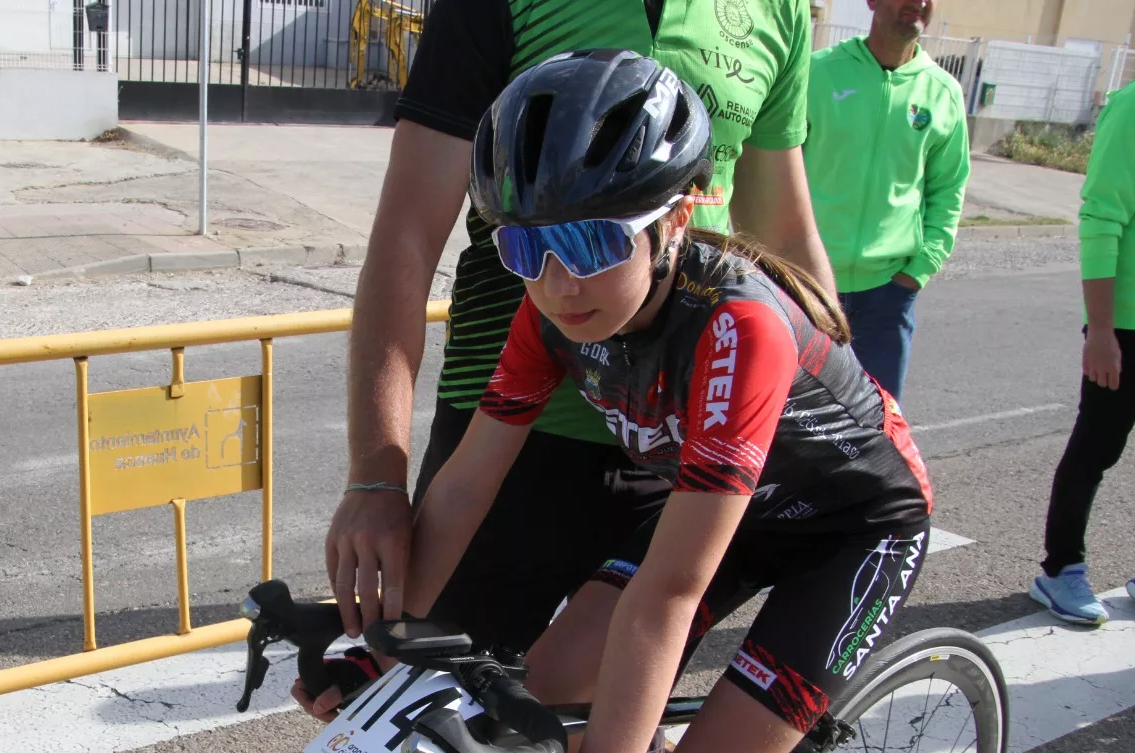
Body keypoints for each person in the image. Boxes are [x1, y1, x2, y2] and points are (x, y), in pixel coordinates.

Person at [303, 52, 935, 753]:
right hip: (726, 499)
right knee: (547, 688)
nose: (560, 283)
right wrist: (374, 644)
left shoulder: (739, 328)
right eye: (526, 248)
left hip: (847, 529)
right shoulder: (551, 309)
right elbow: (463, 490)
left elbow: (666, 600)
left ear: (680, 213)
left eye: (597, 240)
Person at [326, 0, 835, 660]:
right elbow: (407, 238)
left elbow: (783, 232)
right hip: (509, 437)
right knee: (421, 722)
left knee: (597, 726)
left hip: (677, 436)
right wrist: (375, 475)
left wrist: (839, 419)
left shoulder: (780, 9)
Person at [803, 0, 970, 400]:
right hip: (808, 286)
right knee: (793, 426)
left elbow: (948, 188)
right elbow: (775, 167)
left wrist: (918, 270)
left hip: (887, 296)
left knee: (876, 430)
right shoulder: (817, 73)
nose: (920, 3)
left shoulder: (943, 92)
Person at [1030, 71, 1135, 625]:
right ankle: (1061, 571)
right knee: (1096, 449)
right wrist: (1101, 331)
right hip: (1130, 326)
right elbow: (1102, 218)